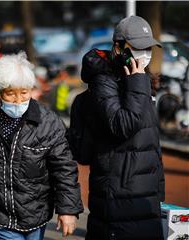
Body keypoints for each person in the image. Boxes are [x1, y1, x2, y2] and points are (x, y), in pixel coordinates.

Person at [0, 52, 83, 240]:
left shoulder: (48, 123)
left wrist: (67, 210)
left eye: (24, 93)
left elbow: (64, 168)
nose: (19, 101)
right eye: (10, 94)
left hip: (37, 213)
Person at [70, 16, 165, 239]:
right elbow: (123, 125)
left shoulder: (139, 81)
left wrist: (159, 194)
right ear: (118, 47)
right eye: (138, 48)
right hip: (119, 198)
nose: (144, 54)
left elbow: (152, 142)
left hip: (146, 199)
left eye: (148, 47)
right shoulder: (104, 81)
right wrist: (138, 81)